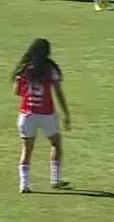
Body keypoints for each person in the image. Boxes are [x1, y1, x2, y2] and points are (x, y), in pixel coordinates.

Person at [13, 38, 71, 193]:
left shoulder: (24, 68)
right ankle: (56, 179)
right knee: (56, 143)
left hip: (26, 114)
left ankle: (24, 184)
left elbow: (17, 91)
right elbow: (58, 92)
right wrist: (66, 114)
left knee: (27, 150)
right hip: (46, 114)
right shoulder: (50, 69)